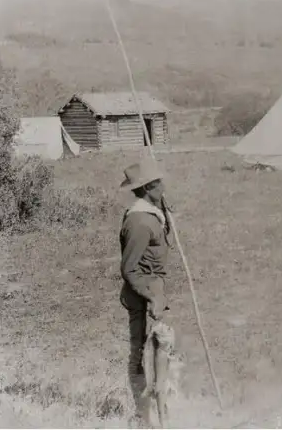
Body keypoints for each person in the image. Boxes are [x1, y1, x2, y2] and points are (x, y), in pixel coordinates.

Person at [119, 158, 173, 427]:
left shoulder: (152, 210)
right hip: (142, 296)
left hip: (153, 292)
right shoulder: (139, 222)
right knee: (142, 355)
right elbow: (129, 269)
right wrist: (152, 297)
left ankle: (162, 412)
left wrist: (164, 208)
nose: (164, 186)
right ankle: (145, 417)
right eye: (159, 183)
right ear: (149, 187)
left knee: (161, 354)